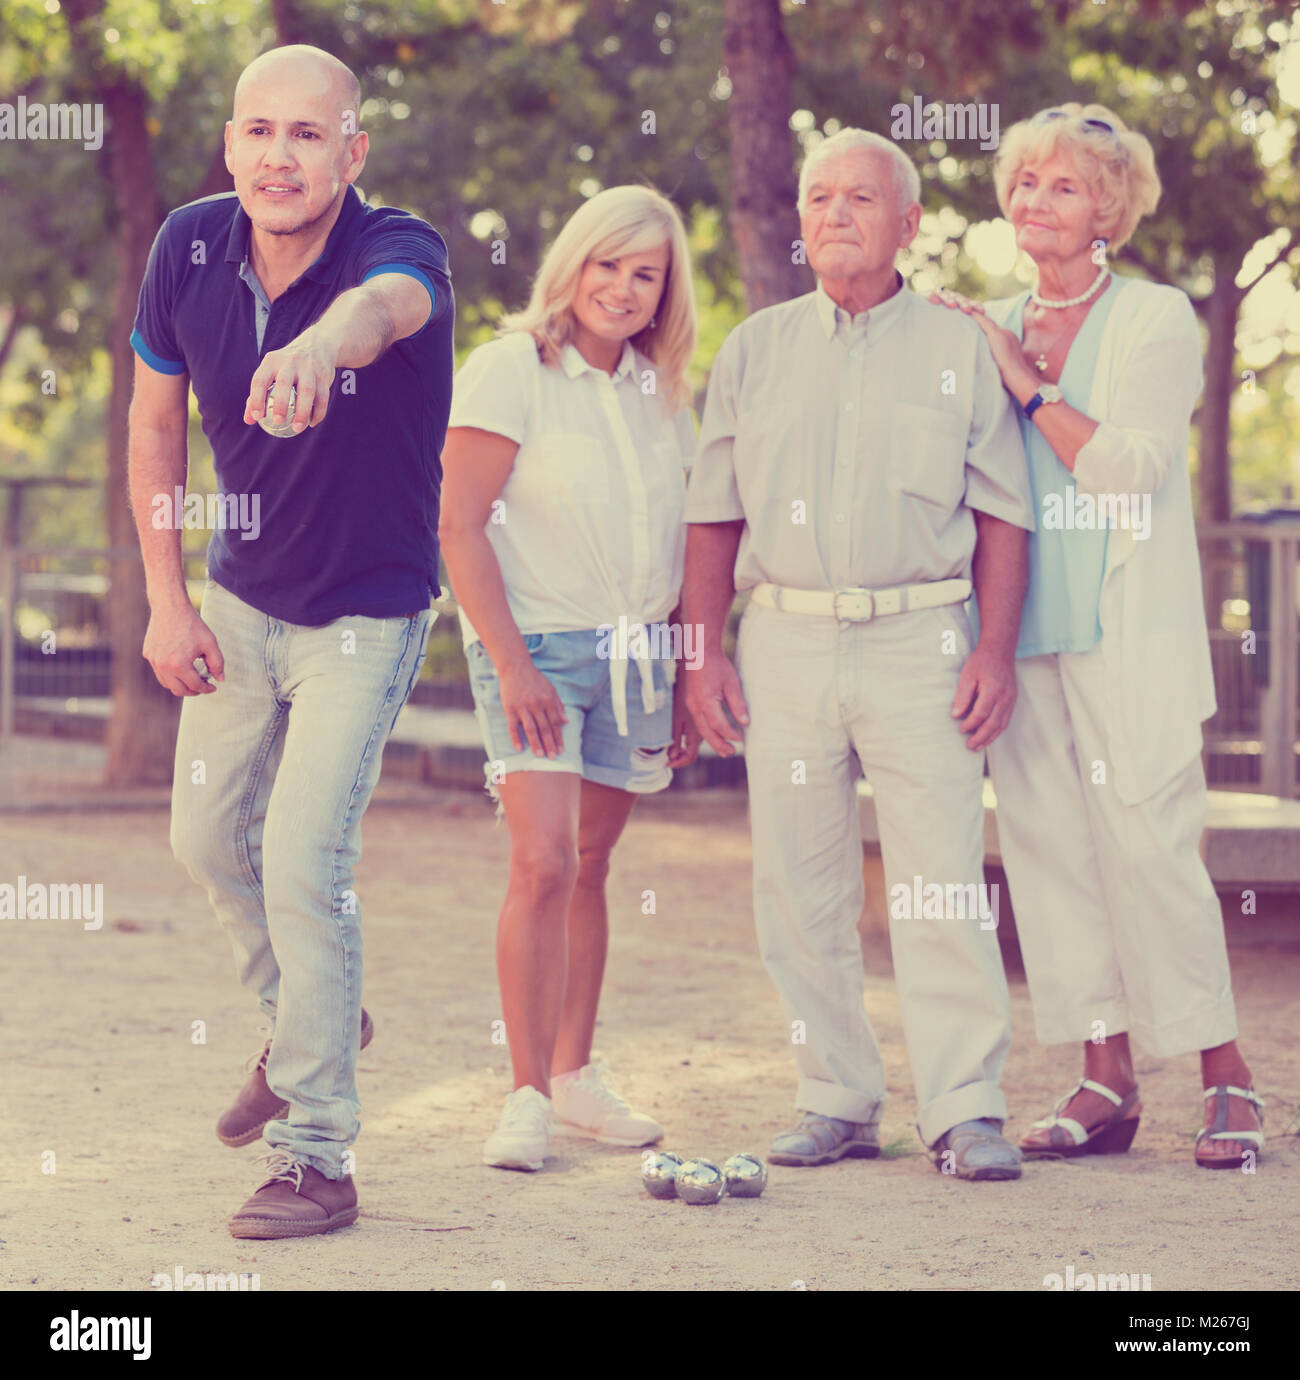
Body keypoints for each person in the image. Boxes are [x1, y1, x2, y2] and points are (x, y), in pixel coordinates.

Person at [129, 44, 453, 1236]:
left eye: (308, 135)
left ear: (351, 151)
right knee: (205, 839)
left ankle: (317, 1153)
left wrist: (323, 344)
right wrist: (167, 599)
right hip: (238, 601)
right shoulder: (188, 247)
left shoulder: (395, 248)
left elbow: (387, 310)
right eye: (259, 132)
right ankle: (309, 1014)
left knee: (305, 864)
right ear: (230, 145)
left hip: (365, 615)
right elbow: (153, 428)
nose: (280, 155)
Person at [682, 129, 1037, 1181]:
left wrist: (995, 651)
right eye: (818, 198)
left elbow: (1004, 516)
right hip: (782, 639)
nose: (834, 214)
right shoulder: (753, 349)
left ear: (908, 223)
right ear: (798, 220)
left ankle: (965, 1108)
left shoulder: (960, 348)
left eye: (860, 199)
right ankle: (833, 1096)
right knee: (798, 884)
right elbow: (710, 518)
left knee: (937, 882)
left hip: (922, 638)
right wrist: (701, 659)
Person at [930, 102, 1263, 1169]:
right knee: (1049, 856)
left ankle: (1225, 1077)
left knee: (1151, 852)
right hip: (1021, 631)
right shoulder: (980, 324)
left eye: (1064, 185)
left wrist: (1024, 382)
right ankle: (1104, 1075)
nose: (1035, 200)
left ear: (1109, 207)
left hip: (1127, 632)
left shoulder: (1156, 317)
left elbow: (1126, 468)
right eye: (1024, 181)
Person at [439, 185, 700, 1172]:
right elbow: (459, 525)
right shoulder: (511, 367)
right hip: (536, 648)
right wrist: (510, 663)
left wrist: (680, 673)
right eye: (608, 265)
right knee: (541, 862)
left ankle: (578, 1075)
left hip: (636, 655)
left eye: (646, 275)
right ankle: (525, 1097)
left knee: (592, 867)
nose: (624, 289)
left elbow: (678, 545)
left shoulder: (661, 394)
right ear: (574, 264)